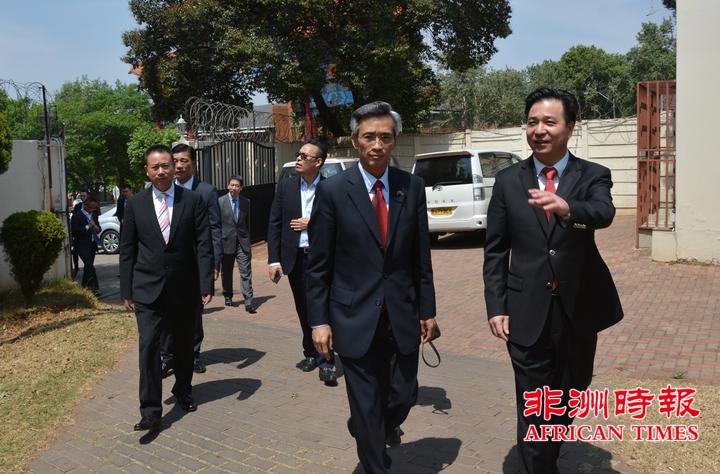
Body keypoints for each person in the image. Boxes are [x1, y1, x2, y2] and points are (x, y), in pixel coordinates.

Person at [483, 87, 623, 473]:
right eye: (532, 122)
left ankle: (547, 452)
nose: (539, 130)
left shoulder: (593, 174)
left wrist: (567, 207)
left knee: (571, 392)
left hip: (578, 310)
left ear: (570, 127)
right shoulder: (507, 180)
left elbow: (603, 212)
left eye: (549, 121)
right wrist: (496, 306)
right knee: (533, 404)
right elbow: (495, 250)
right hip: (526, 309)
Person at [306, 102, 437, 472]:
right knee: (365, 402)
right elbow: (318, 265)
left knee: (404, 394)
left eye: (385, 137)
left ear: (395, 141)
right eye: (369, 137)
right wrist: (319, 321)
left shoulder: (412, 187)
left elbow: (421, 256)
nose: (377, 144)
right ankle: (374, 459)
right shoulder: (333, 191)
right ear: (355, 140)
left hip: (402, 313)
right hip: (352, 315)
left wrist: (428, 310)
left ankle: (370, 427)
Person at [119, 144, 214, 431]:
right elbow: (127, 249)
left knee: (184, 345)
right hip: (147, 289)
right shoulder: (135, 204)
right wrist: (126, 291)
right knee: (149, 346)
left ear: (174, 167)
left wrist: (206, 283)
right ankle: (150, 411)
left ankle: (183, 389)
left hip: (184, 288)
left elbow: (203, 244)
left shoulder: (193, 200)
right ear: (147, 171)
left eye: (166, 166)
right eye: (155, 167)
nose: (161, 171)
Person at [266, 139, 337, 386]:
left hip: (322, 258)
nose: (298, 159)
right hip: (295, 258)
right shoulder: (286, 187)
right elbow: (274, 223)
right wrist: (274, 260)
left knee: (323, 308)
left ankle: (327, 361)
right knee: (303, 308)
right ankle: (311, 352)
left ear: (318, 162)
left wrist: (312, 221)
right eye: (298, 154)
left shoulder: (331, 188)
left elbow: (340, 223)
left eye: (304, 156)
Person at [159, 143, 223, 376]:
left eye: (184, 160)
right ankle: (167, 356)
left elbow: (215, 229)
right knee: (165, 310)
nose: (178, 165)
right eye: (175, 161)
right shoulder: (163, 189)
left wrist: (214, 263)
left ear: (193, 163)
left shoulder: (206, 191)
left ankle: (193, 354)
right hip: (167, 264)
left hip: (195, 263)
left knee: (193, 312)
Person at [219, 175, 256, 312]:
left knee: (246, 271)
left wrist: (248, 241)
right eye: (232, 185)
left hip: (242, 242)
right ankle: (228, 295)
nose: (234, 188)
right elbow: (216, 224)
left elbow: (248, 223)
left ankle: (248, 301)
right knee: (226, 271)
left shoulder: (246, 202)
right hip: (226, 241)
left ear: (241, 188)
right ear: (228, 186)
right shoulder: (220, 202)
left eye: (237, 186)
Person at [70, 195, 101, 293]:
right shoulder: (76, 216)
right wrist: (88, 226)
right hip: (81, 245)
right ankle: (95, 287)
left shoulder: (94, 215)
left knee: (88, 267)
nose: (93, 210)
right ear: (85, 206)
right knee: (90, 265)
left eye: (94, 208)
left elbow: (98, 228)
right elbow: (75, 232)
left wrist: (96, 227)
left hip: (92, 244)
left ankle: (84, 287)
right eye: (91, 208)